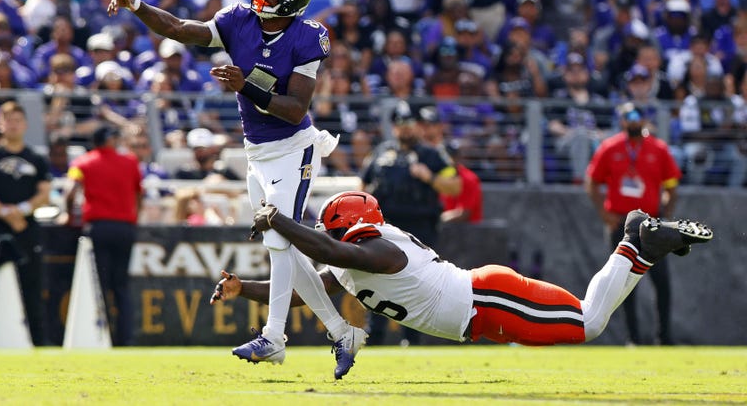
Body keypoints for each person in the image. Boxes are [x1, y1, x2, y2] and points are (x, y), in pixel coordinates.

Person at [107, 0, 365, 378]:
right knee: (284, 250)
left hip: (292, 146)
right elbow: (178, 29)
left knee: (280, 240)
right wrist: (138, 6)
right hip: (255, 152)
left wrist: (246, 85)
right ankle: (341, 330)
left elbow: (296, 107)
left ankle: (275, 338)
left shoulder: (307, 36)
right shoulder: (237, 19)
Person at [212, 191, 712, 379]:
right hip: (478, 314)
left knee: (590, 323)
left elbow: (331, 251)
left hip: (486, 299)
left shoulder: (379, 248)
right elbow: (305, 291)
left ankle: (635, 241)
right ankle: (640, 245)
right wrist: (245, 289)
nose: (329, 234)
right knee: (589, 322)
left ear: (351, 225)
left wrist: (278, 219)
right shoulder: (356, 253)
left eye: (334, 226)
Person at [360, 100, 461, 345]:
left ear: (418, 126)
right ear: (394, 127)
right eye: (400, 124)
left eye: (410, 123)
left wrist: (430, 176)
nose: (405, 129)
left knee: (417, 284)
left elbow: (455, 186)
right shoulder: (382, 153)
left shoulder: (432, 154)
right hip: (387, 229)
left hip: (420, 229)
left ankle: (412, 339)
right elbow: (363, 189)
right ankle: (375, 336)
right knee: (379, 280)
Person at [584, 102, 683, 345]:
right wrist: (602, 213)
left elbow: (672, 186)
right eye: (628, 116)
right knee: (623, 284)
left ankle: (664, 337)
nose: (634, 120)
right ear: (622, 121)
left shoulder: (658, 149)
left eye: (638, 115)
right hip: (621, 223)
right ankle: (633, 339)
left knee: (662, 282)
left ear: (645, 120)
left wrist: (666, 216)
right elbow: (592, 181)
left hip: (651, 224)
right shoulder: (611, 147)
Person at [0, 101, 52, 345]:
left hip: (27, 227)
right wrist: (6, 213)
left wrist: (23, 210)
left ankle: (37, 342)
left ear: (25, 124)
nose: (14, 125)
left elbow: (45, 193)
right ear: (1, 124)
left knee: (32, 284)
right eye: (9, 120)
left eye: (18, 120)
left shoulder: (36, 158)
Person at [65, 124, 143, 346]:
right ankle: (124, 338)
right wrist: (133, 217)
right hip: (125, 227)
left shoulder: (82, 163)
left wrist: (69, 215)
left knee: (98, 285)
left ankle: (101, 335)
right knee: (121, 286)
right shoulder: (130, 161)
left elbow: (70, 192)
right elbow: (139, 195)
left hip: (98, 227)